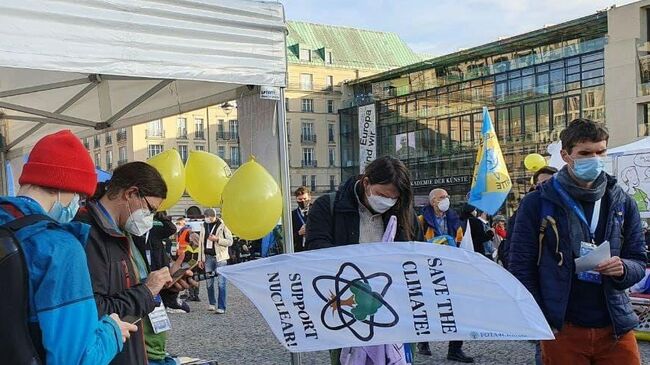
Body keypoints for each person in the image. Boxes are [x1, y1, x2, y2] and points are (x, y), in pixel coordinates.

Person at [509, 118, 646, 364]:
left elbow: (638, 261)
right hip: (563, 327)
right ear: (565, 155)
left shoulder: (622, 201)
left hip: (615, 325)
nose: (594, 159)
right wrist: (542, 319)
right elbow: (521, 266)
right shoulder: (536, 202)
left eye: (600, 151)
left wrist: (623, 268)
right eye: (585, 153)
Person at [0, 130, 136, 365]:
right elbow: (77, 358)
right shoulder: (59, 247)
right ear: (58, 186)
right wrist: (112, 331)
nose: (77, 204)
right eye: (79, 196)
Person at [306, 156, 423, 365]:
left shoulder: (404, 212)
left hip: (394, 313)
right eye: (381, 195)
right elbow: (315, 253)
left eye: (393, 198)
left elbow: (416, 258)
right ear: (366, 182)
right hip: (346, 312)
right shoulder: (328, 206)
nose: (386, 202)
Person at [77, 162, 195, 365]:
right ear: (131, 193)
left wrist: (165, 288)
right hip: (113, 353)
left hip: (138, 349)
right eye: (150, 209)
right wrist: (148, 290)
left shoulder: (125, 230)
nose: (149, 218)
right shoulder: (88, 233)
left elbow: (130, 288)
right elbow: (93, 309)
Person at [417, 189, 474, 363]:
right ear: (433, 201)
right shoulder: (420, 221)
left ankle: (455, 349)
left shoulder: (455, 220)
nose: (446, 200)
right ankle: (422, 341)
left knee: (458, 307)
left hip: (452, 269)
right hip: (427, 269)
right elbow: (415, 243)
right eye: (442, 197)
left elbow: (461, 241)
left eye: (448, 197)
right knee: (423, 306)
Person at [131, 211, 179, 365]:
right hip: (141, 288)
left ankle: (157, 353)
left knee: (157, 325)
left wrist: (160, 216)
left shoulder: (155, 231)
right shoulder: (131, 234)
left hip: (159, 284)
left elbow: (171, 229)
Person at [501, 166, 558, 270]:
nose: (550, 186)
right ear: (536, 185)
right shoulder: (526, 208)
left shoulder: (564, 206)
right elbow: (516, 249)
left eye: (553, 182)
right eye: (545, 183)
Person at [198, 208, 233, 313]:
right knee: (209, 282)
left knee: (221, 283)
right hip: (208, 257)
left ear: (213, 217)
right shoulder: (203, 226)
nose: (207, 219)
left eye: (208, 217)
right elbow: (201, 243)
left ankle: (221, 307)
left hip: (220, 257)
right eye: (205, 217)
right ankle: (212, 303)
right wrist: (200, 259)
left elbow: (230, 242)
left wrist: (218, 239)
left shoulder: (223, 225)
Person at [291, 186, 311, 252]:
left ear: (309, 198)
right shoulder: (293, 215)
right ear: (296, 199)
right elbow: (289, 236)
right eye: (300, 199)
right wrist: (299, 233)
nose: (303, 201)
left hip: (314, 247)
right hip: (300, 249)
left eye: (305, 199)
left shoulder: (317, 211)